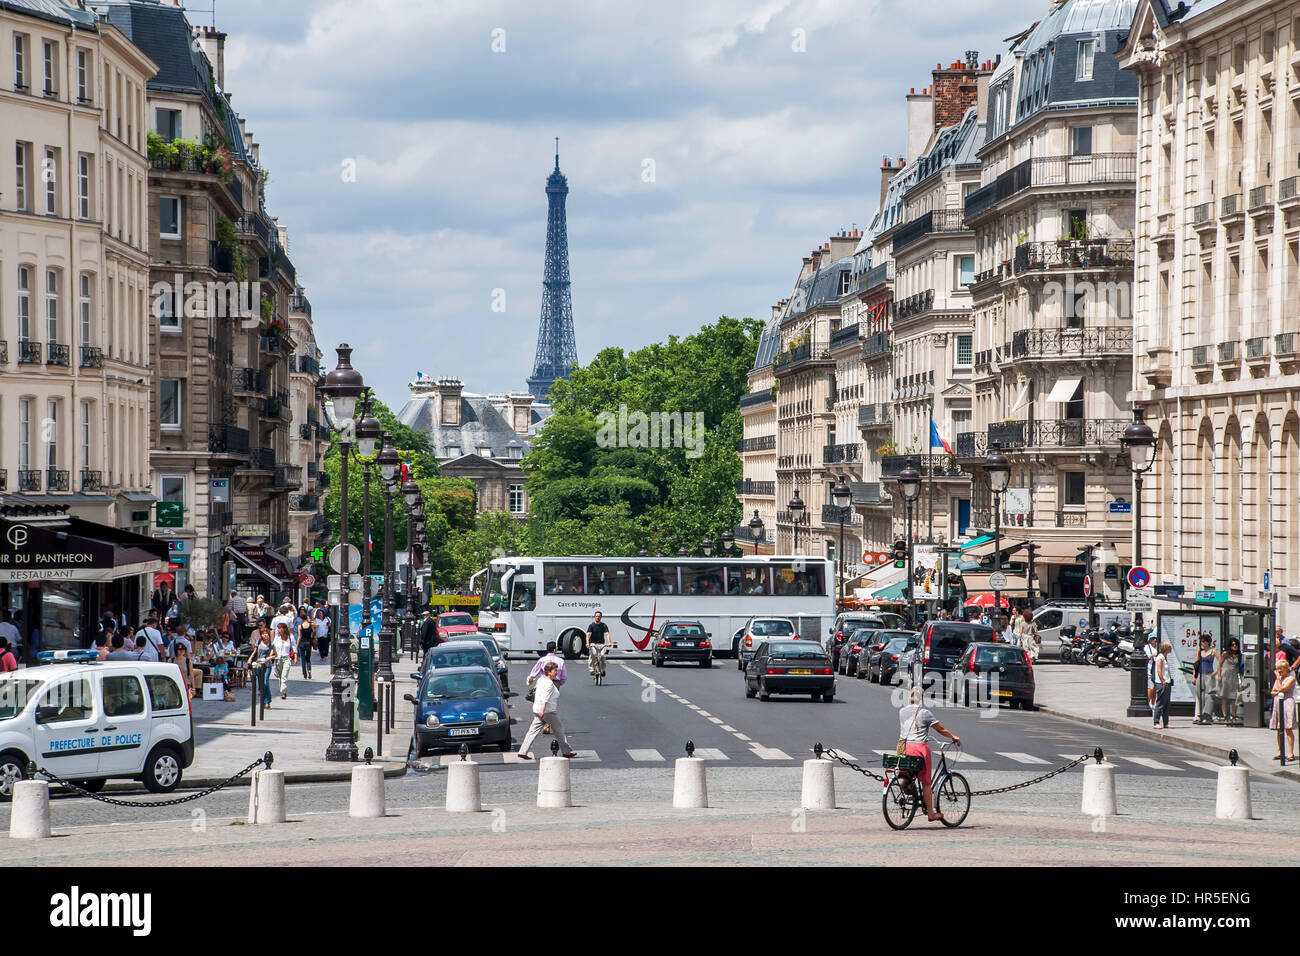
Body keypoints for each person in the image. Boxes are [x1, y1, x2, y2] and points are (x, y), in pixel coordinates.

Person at [897, 686, 961, 823]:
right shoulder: (924, 712)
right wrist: (953, 737)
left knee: (909, 774)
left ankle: (912, 797)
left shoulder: (902, 711)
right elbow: (940, 729)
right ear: (922, 698)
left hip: (904, 748)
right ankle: (931, 813)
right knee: (926, 783)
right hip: (919, 749)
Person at [515, 661, 576, 759]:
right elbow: (545, 698)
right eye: (555, 670)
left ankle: (523, 751)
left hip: (537, 709)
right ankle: (566, 751)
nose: (556, 672)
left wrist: (540, 711)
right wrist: (543, 711)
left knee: (532, 731)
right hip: (548, 711)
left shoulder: (541, 679)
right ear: (549, 672)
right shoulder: (549, 684)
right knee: (559, 730)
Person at [1270, 659, 1298, 761]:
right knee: (1279, 728)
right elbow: (1272, 692)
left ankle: (1290, 753)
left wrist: (1278, 680)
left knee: (1288, 728)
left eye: (1280, 669)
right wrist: (1278, 685)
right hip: (1278, 703)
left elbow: (1282, 689)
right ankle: (1280, 751)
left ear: (1286, 669)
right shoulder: (1279, 679)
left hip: (1287, 703)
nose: (1278, 671)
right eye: (1277, 669)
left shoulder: (1291, 679)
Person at [247, 625, 277, 709]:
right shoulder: (259, 642)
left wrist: (269, 657)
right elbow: (255, 652)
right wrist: (250, 658)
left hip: (267, 665)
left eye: (266, 633)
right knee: (260, 684)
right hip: (258, 664)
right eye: (263, 634)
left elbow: (275, 654)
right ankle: (263, 700)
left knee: (266, 682)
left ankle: (268, 700)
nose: (265, 635)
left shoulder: (271, 644)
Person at [1215, 638, 1243, 725]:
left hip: (1234, 676)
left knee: (1234, 697)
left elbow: (1239, 668)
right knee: (1225, 697)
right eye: (1232, 645)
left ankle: (1233, 715)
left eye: (1236, 644)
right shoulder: (1225, 654)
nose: (1234, 646)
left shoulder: (1239, 655)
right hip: (1225, 676)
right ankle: (1225, 716)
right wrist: (1219, 676)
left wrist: (1241, 679)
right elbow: (1219, 665)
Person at [1193, 635, 1219, 725]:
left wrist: (1215, 672)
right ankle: (1198, 715)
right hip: (1200, 674)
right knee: (1199, 694)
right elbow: (1196, 664)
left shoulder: (1213, 651)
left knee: (1210, 694)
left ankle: (1210, 714)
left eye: (1204, 641)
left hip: (1209, 675)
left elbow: (1221, 662)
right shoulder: (1200, 651)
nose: (1202, 643)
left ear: (1208, 642)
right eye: (1201, 641)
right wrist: (1194, 676)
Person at [1152, 641, 1175, 729]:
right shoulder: (1160, 657)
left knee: (1166, 704)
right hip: (1162, 683)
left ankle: (1166, 722)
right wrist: (1162, 681)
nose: (1171, 649)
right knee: (1160, 703)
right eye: (1169, 647)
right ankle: (1156, 722)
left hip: (1167, 682)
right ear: (1166, 648)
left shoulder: (1164, 657)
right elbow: (1158, 670)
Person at [272, 621, 295, 699]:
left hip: (286, 658)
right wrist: (271, 655)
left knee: (284, 676)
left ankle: (283, 691)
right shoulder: (277, 638)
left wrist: (295, 656)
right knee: (280, 676)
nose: (278, 630)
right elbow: (273, 647)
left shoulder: (290, 637)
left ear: (284, 629)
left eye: (279, 628)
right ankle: (283, 691)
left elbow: (294, 647)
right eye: (278, 628)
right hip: (278, 659)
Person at [586, 611, 611, 677]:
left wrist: (609, 642)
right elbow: (588, 635)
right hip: (593, 644)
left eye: (599, 616)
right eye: (596, 616)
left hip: (601, 644)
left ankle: (603, 670)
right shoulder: (591, 625)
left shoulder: (603, 625)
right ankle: (592, 670)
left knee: (602, 656)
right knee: (593, 655)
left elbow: (607, 634)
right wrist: (587, 643)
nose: (597, 617)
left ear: (601, 617)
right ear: (594, 617)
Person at [297, 611, 316, 679]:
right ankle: (309, 670)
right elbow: (314, 632)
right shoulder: (311, 625)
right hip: (309, 643)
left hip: (302, 643)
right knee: (308, 658)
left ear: (301, 619)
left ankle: (304, 675)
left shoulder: (300, 626)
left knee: (303, 659)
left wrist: (297, 645)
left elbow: (299, 636)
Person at [1143, 632, 1160, 709]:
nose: (1155, 640)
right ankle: (1148, 703)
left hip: (1157, 669)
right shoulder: (1146, 647)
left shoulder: (1158, 647)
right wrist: (1151, 656)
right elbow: (1145, 657)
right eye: (1153, 639)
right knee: (1151, 688)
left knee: (1155, 689)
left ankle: (1153, 704)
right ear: (1149, 640)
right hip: (1150, 669)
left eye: (1155, 638)